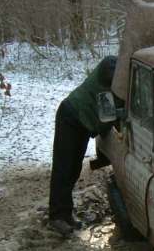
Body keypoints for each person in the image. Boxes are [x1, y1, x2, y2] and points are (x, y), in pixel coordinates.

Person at [48, 55, 120, 236]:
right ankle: (57, 216)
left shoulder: (123, 80)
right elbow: (112, 83)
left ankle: (65, 214)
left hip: (84, 123)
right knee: (64, 167)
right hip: (71, 115)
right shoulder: (112, 65)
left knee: (73, 169)